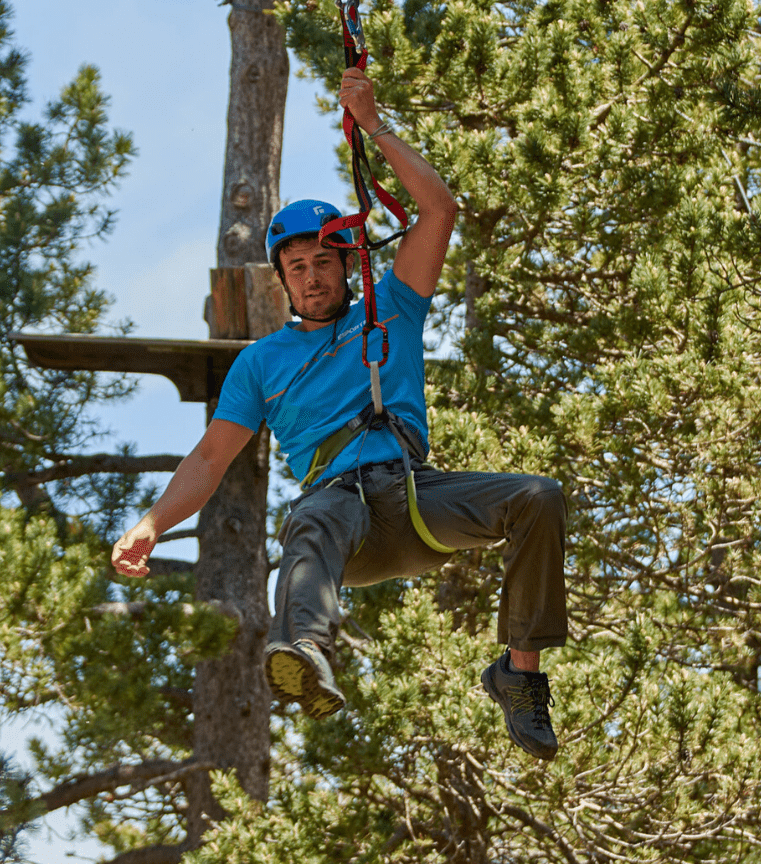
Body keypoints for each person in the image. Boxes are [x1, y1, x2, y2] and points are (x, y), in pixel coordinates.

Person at [112, 67, 568, 760]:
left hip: (413, 499)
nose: (312, 275)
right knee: (316, 513)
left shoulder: (393, 307)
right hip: (342, 521)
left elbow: (439, 211)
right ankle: (303, 650)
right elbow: (209, 459)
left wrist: (373, 123)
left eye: (323, 260)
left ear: (348, 264)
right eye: (296, 266)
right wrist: (152, 524)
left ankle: (519, 674)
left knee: (538, 497)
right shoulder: (260, 363)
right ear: (282, 280)